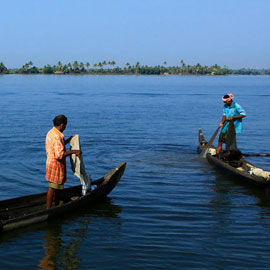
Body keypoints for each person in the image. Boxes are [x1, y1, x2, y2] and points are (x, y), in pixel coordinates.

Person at [45, 115, 81, 209]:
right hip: (55, 166)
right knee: (53, 188)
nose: (65, 127)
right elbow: (59, 155)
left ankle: (54, 206)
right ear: (62, 125)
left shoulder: (51, 132)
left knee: (55, 187)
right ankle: (49, 209)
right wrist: (74, 151)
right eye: (65, 125)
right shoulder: (57, 137)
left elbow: (59, 146)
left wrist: (68, 140)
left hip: (50, 163)